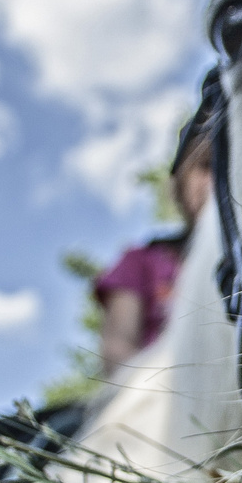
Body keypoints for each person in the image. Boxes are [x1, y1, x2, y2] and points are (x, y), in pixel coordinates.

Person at [95, 111, 213, 373]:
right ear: (178, 184)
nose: (216, 181)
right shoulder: (143, 261)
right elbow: (117, 348)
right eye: (206, 166)